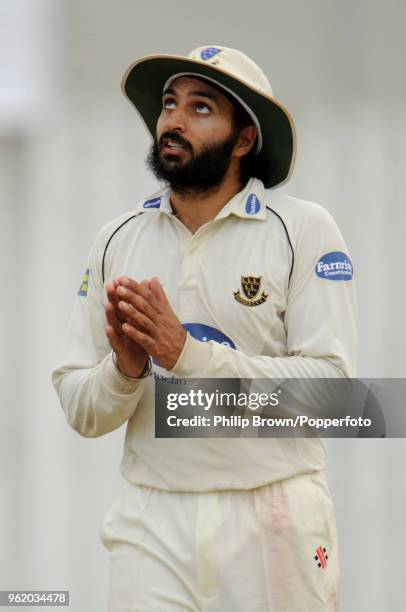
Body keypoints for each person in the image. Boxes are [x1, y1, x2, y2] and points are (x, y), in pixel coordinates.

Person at [52, 45, 357, 611]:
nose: (173, 118)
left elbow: (338, 399)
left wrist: (187, 355)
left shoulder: (304, 230)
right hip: (152, 518)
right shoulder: (118, 239)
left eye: (200, 107)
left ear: (244, 139)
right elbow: (80, 409)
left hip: (273, 514)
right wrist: (124, 370)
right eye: (170, 104)